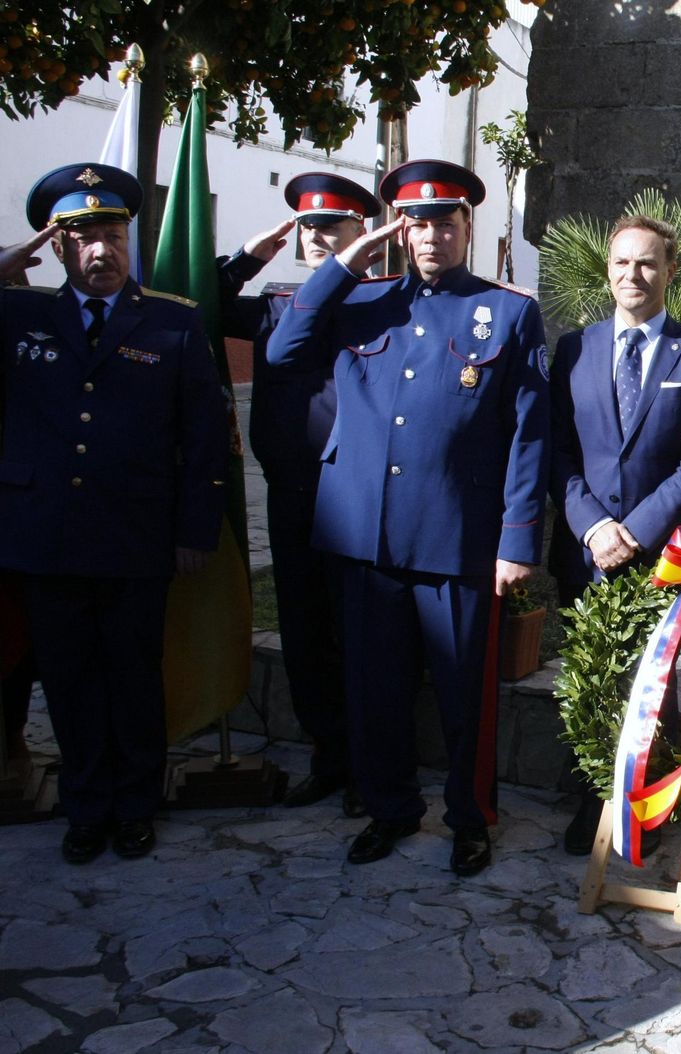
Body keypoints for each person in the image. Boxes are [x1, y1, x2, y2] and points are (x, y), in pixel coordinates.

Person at [266, 159, 551, 877]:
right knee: (375, 690)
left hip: (456, 538)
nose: (431, 236)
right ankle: (389, 808)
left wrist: (518, 540)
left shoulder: (507, 312)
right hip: (364, 536)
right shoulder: (360, 300)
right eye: (417, 224)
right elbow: (281, 349)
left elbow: (529, 434)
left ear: (466, 228)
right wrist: (346, 263)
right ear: (399, 231)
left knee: (463, 696)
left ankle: (470, 818)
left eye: (445, 223)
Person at [0, 163, 227, 863]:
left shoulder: (173, 322)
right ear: (59, 248)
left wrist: (195, 529)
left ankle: (135, 805)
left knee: (133, 675)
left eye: (114, 235)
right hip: (47, 537)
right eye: (84, 238)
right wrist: (7, 263)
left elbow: (204, 436)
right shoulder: (20, 315)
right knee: (67, 679)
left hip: (137, 535)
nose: (103, 250)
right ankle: (85, 807)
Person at [549, 214, 681, 855]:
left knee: (650, 689)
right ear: (608, 271)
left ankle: (644, 808)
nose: (634, 274)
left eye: (648, 262)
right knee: (588, 678)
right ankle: (588, 802)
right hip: (585, 548)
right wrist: (596, 527)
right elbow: (557, 450)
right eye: (622, 262)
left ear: (670, 271)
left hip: (660, 556)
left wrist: (636, 530)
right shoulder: (574, 349)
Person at [219, 173, 382, 817]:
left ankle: (369, 764)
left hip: (360, 498)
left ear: (360, 232)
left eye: (331, 228)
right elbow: (199, 304)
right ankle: (328, 756)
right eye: (308, 228)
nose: (316, 237)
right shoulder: (276, 304)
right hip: (291, 493)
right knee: (305, 632)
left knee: (360, 635)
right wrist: (247, 258)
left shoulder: (382, 301)